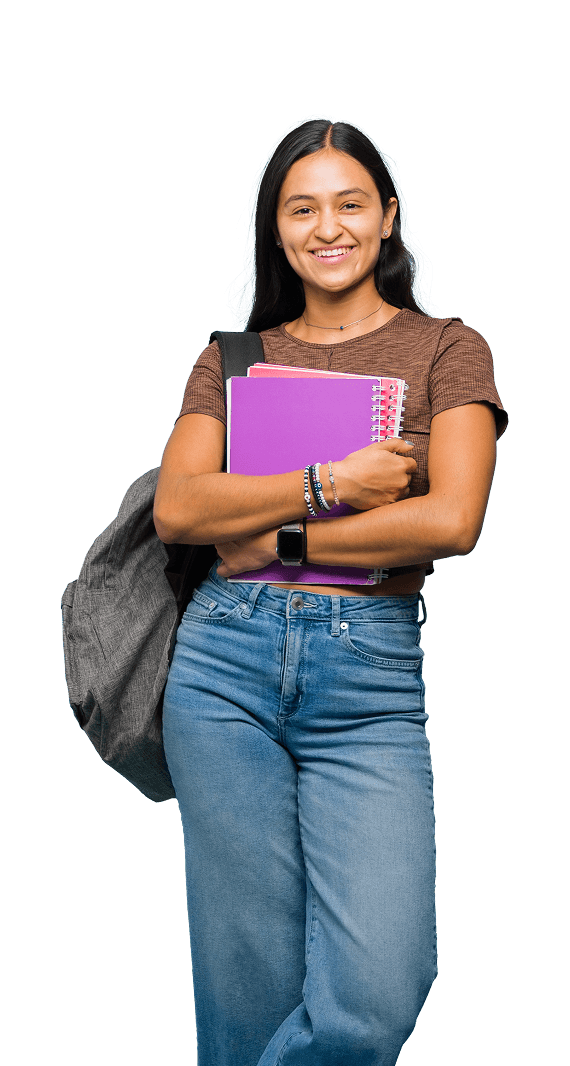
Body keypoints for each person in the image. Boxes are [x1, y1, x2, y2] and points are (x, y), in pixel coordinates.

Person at [153, 118, 507, 1066]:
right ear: (276, 232)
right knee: (250, 984)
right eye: (301, 208)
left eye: (350, 203)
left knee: (378, 994)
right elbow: (181, 508)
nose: (328, 226)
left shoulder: (448, 350)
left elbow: (452, 522)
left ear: (388, 220)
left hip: (369, 675)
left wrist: (279, 533)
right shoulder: (231, 357)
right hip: (223, 664)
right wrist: (333, 482)